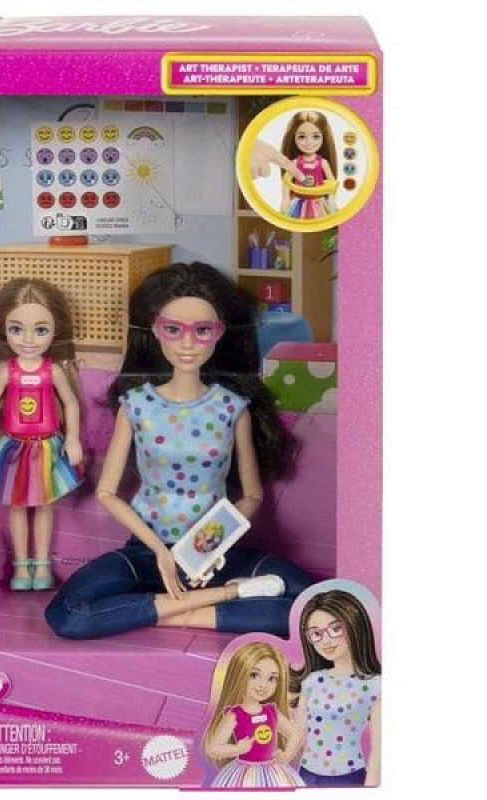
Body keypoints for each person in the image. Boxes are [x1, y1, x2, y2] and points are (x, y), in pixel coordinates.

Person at [45, 262, 312, 638]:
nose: (187, 344)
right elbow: (106, 493)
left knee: (311, 603)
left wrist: (206, 547)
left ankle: (160, 610)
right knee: (68, 614)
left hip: (215, 555)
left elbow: (252, 495)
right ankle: (224, 597)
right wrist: (161, 551)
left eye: (202, 331)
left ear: (220, 333)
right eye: (174, 329)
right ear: (155, 330)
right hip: (147, 554)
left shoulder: (231, 408)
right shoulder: (135, 406)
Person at [0, 278, 83, 591]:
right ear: (4, 330)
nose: (28, 340)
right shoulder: (7, 370)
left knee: (45, 505)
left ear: (55, 330)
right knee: (17, 506)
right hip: (14, 447)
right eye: (16, 329)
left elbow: (71, 403)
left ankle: (42, 564)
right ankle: (21, 565)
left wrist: (73, 438)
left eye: (40, 330)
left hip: (46, 446)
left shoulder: (52, 371)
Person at [290, 589, 382, 787]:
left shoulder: (374, 685)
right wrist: (282, 757)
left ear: (354, 625)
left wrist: (371, 787)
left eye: (335, 629)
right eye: (316, 634)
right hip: (307, 774)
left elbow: (379, 747)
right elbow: (299, 730)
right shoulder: (312, 681)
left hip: (349, 776)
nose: (326, 640)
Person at [203, 641, 303, 787]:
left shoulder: (272, 712)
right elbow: (213, 748)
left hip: (273, 771)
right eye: (254, 675)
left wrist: (287, 755)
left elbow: (295, 734)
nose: (263, 685)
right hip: (244, 772)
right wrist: (237, 749)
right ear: (239, 675)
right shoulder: (235, 715)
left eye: (272, 678)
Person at [279, 110, 338, 218]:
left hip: (318, 202)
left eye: (315, 137)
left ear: (324, 137)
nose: (309, 142)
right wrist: (285, 199)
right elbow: (286, 182)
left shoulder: (323, 162)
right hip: (299, 201)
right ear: (294, 138)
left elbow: (332, 183)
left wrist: (331, 199)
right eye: (302, 137)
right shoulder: (295, 163)